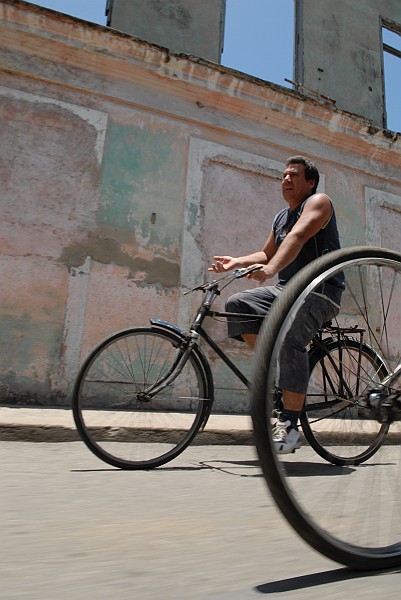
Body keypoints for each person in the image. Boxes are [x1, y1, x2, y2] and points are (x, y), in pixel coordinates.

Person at [209, 156, 344, 453]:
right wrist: (236, 262)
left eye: (294, 175)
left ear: (310, 182)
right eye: (283, 176)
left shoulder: (319, 203)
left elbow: (297, 237)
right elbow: (266, 253)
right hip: (287, 290)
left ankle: (290, 425)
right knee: (238, 303)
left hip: (319, 292)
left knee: (290, 340)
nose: (286, 180)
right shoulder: (281, 216)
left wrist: (270, 270)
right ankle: (274, 373)